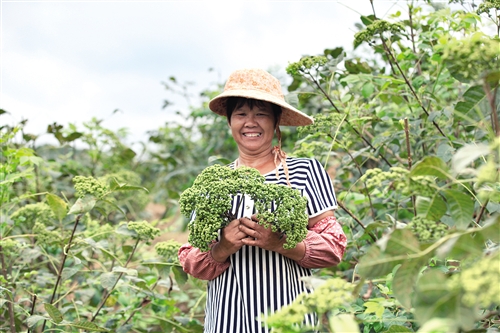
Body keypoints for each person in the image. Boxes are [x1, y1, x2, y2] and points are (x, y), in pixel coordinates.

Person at [178, 68, 347, 333]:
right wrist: (222, 246)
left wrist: (280, 242)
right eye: (241, 114)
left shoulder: (304, 172)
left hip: (289, 320)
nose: (250, 123)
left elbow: (333, 248)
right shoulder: (215, 181)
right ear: (230, 122)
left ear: (276, 121)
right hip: (226, 321)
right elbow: (192, 260)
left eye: (261, 114)